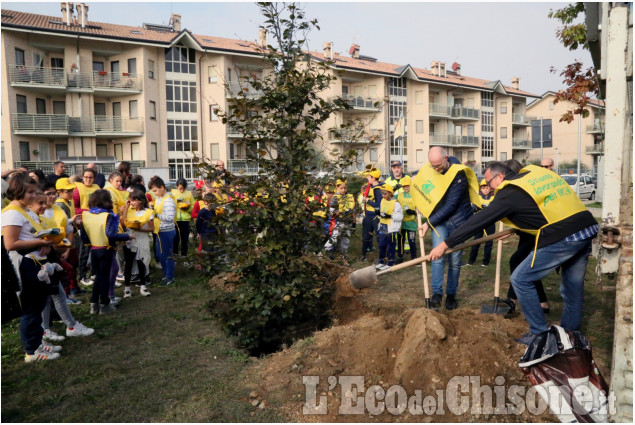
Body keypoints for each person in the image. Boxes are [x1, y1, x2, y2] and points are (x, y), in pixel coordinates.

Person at [427, 162, 598, 345]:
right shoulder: (533, 175)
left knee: (521, 279)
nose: (489, 189)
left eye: (488, 182)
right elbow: (543, 208)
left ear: (499, 177)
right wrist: (516, 228)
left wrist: (445, 244)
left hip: (564, 236)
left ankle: (539, 334)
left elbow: (479, 221)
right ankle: (570, 338)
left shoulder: (509, 193)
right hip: (586, 227)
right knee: (572, 291)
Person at [414, 146, 477, 310]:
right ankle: (436, 294)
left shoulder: (459, 174)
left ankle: (451, 295)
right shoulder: (431, 169)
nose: (435, 169)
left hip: (458, 222)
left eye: (438, 165)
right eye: (432, 165)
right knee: (437, 256)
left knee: (455, 261)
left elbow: (450, 206)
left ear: (446, 158)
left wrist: (428, 223)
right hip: (439, 221)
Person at [35, 188, 94, 338]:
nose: (51, 198)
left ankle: (48, 328)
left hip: (53, 253)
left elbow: (64, 229)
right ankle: (65, 326)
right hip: (41, 258)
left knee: (55, 293)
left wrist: (64, 246)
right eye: (42, 200)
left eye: (52, 194)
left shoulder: (54, 210)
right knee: (52, 294)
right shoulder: (25, 215)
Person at [503, 159, 550, 313]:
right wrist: (513, 230)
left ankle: (512, 299)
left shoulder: (525, 187)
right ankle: (542, 302)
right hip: (526, 232)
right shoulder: (518, 187)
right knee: (527, 265)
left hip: (537, 233)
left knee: (518, 261)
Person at [77, 190, 134, 315]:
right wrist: (127, 236)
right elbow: (111, 234)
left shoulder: (86, 215)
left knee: (98, 277)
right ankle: (104, 304)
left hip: (94, 249)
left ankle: (94, 304)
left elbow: (84, 236)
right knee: (104, 279)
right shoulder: (107, 216)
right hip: (106, 249)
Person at [122, 190, 153, 297]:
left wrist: (140, 230)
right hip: (130, 239)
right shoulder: (129, 210)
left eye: (134, 200)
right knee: (129, 263)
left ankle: (143, 286)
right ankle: (127, 288)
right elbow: (123, 221)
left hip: (142, 239)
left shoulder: (148, 212)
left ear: (141, 201)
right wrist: (126, 208)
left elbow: (151, 228)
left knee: (142, 261)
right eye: (131, 200)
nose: (132, 202)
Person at [148, 176, 176, 286]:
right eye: (152, 191)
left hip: (166, 231)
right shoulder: (160, 198)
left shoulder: (168, 200)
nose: (154, 193)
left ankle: (169, 276)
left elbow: (169, 217)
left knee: (167, 255)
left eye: (155, 190)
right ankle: (166, 274)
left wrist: (156, 214)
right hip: (159, 230)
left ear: (162, 188)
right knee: (160, 255)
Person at [73, 168, 99, 285]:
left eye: (91, 177)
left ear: (94, 178)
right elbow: (76, 208)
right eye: (86, 177)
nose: (88, 179)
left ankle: (94, 273)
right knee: (85, 249)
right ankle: (82, 275)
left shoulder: (97, 188)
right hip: (85, 222)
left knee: (96, 248)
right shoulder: (78, 188)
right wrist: (89, 210)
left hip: (97, 221)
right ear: (82, 177)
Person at [465, 179, 495, 267]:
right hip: (479, 222)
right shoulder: (477, 197)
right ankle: (471, 261)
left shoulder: (494, 197)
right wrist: (476, 208)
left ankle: (485, 262)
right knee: (476, 241)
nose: (485, 189)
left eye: (487, 188)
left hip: (490, 222)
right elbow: (472, 208)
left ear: (490, 188)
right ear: (480, 189)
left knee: (489, 242)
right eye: (483, 188)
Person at [323, 179, 355, 259]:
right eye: (341, 188)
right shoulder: (335, 197)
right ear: (337, 188)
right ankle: (326, 250)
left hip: (348, 221)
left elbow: (353, 208)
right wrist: (336, 212)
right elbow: (331, 208)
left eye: (345, 188)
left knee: (346, 239)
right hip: (339, 221)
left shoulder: (349, 196)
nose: (343, 190)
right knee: (335, 236)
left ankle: (343, 255)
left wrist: (353, 219)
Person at [375, 184, 403, 270]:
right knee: (382, 245)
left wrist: (390, 216)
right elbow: (382, 213)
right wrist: (379, 214)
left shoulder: (396, 203)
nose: (383, 195)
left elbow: (400, 217)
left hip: (391, 228)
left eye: (385, 193)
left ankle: (391, 262)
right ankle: (381, 261)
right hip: (383, 226)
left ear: (390, 193)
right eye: (382, 193)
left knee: (390, 246)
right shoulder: (382, 201)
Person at [359, 168, 383, 262]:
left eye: (369, 176)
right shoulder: (369, 186)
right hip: (367, 216)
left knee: (379, 237)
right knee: (365, 236)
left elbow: (379, 205)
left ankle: (382, 257)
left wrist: (368, 201)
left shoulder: (378, 189)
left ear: (373, 178)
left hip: (376, 216)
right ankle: (363, 254)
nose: (367, 178)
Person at [396, 175, 418, 263]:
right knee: (400, 241)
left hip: (411, 223)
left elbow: (420, 209)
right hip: (401, 223)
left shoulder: (416, 195)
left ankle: (414, 258)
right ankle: (400, 257)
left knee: (411, 241)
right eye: (404, 186)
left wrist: (413, 212)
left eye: (407, 186)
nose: (406, 188)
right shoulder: (399, 195)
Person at [171, 178, 194, 258]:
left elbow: (193, 205)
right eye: (180, 188)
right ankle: (175, 253)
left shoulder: (189, 194)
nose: (181, 190)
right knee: (175, 238)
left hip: (185, 219)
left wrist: (188, 209)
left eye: (183, 189)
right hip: (176, 219)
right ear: (177, 186)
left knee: (185, 238)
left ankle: (184, 255)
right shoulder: (172, 193)